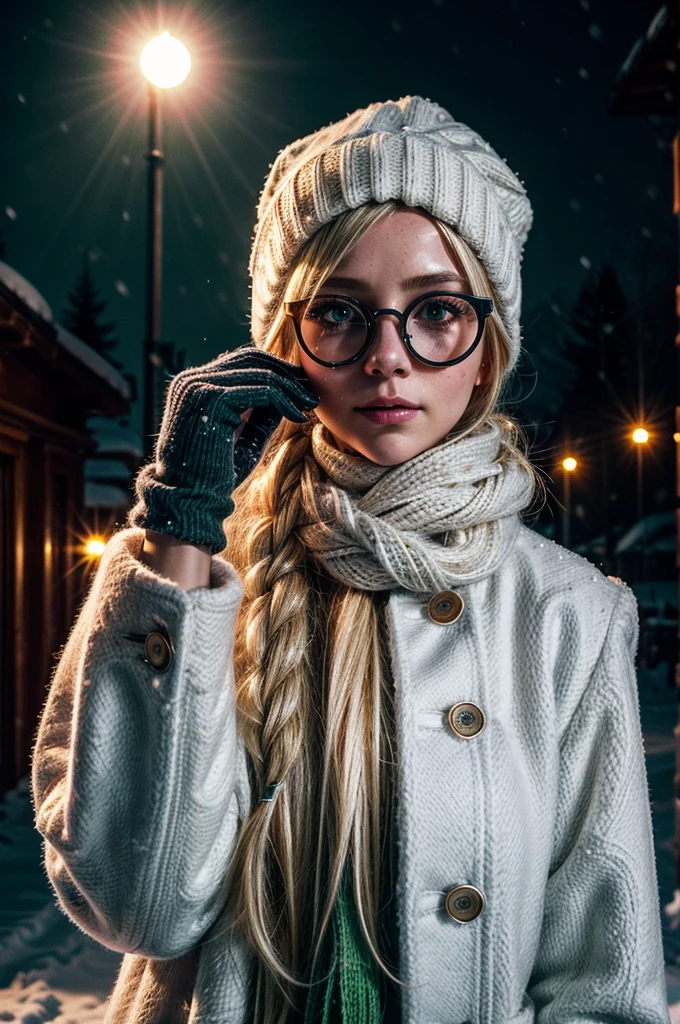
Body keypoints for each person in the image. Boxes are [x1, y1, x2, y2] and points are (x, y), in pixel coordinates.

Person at [30, 95, 670, 1024]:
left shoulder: (568, 614)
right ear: (283, 342)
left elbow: (605, 991)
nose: (387, 360)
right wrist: (178, 531)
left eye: (436, 311)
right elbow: (141, 908)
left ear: (488, 346)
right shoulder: (195, 580)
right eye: (341, 312)